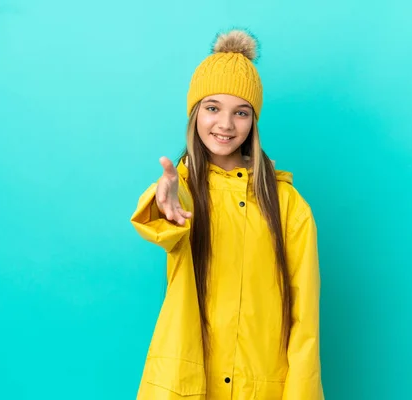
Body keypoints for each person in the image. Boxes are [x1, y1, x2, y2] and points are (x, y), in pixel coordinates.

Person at [131, 29, 324, 399]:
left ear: (254, 121)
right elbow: (164, 218)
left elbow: (305, 324)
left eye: (241, 112)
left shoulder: (288, 205)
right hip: (184, 385)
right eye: (212, 108)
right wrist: (163, 200)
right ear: (195, 113)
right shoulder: (182, 188)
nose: (225, 125)